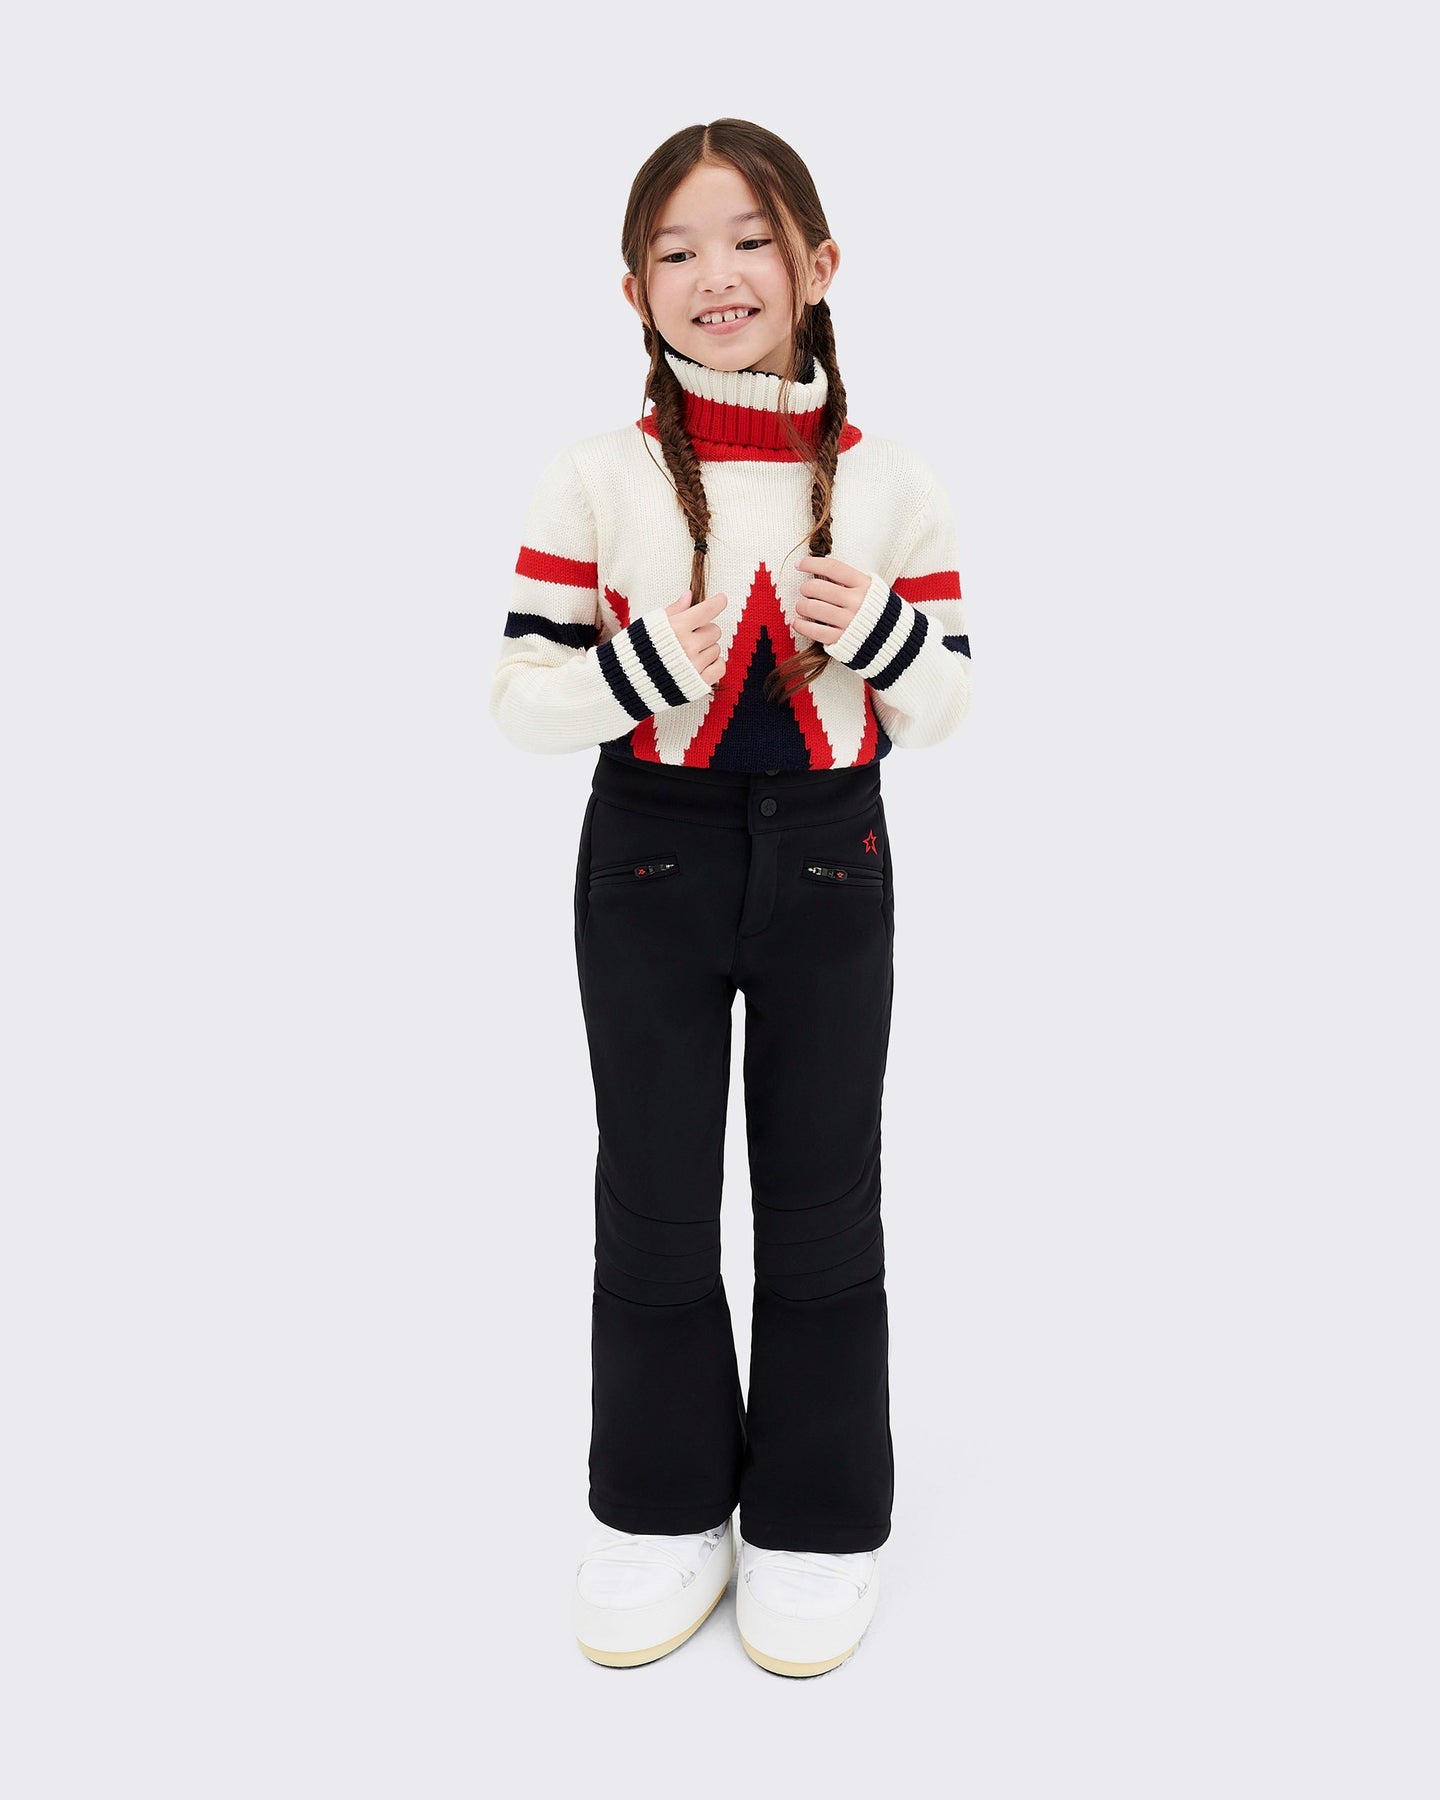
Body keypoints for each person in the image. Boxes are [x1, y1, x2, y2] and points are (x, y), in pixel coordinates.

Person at [490, 118, 973, 1677]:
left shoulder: (890, 483)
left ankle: (819, 1518)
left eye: (753, 239)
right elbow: (519, 696)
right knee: (652, 1186)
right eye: (679, 249)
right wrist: (643, 665)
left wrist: (882, 633)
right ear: (633, 288)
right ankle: (658, 1508)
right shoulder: (596, 477)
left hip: (834, 855)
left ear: (819, 265)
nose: (720, 274)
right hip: (649, 854)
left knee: (824, 1193)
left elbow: (949, 699)